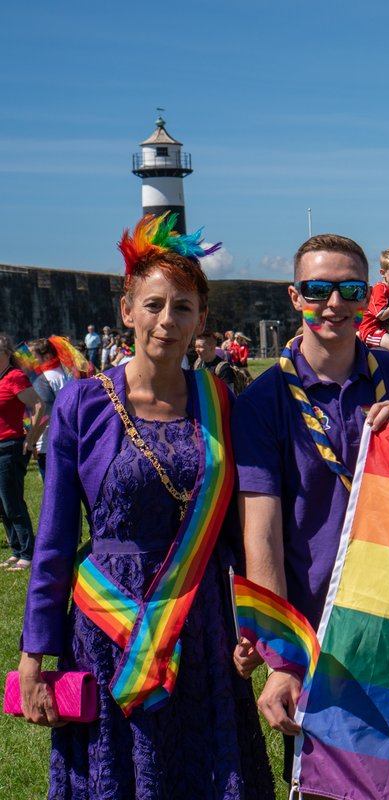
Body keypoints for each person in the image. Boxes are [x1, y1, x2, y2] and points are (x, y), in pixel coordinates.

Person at [18, 213, 273, 797]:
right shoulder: (83, 406)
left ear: (201, 320)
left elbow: (236, 528)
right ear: (127, 311)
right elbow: (54, 540)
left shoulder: (222, 402)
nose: (167, 320)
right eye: (153, 305)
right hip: (109, 626)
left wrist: (249, 621)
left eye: (183, 307)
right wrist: (36, 650)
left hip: (201, 618)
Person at [231, 233, 389, 771]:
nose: (334, 303)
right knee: (324, 781)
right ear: (294, 295)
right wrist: (283, 659)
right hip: (315, 627)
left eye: (349, 289)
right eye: (318, 288)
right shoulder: (262, 401)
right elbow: (261, 533)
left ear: (367, 295)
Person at [0, 333, 43, 571]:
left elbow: (38, 405)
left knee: (12, 501)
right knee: (2, 504)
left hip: (10, 447)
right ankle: (16, 550)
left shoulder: (14, 377)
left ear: (7, 354)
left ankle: (28, 553)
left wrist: (31, 437)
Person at [29, 338, 73, 479]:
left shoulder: (44, 379)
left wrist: (32, 441)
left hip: (50, 444)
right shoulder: (67, 374)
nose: (31, 361)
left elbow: (44, 415)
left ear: (47, 356)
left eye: (33, 356)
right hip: (71, 439)